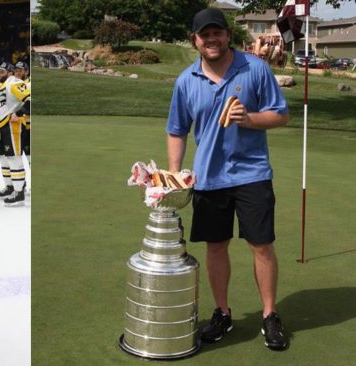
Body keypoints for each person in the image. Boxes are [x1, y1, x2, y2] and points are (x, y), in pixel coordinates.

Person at [165, 8, 289, 351]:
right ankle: (222, 312)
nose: (212, 39)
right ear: (195, 40)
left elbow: (280, 115)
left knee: (261, 245)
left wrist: (248, 118)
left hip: (253, 174)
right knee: (216, 246)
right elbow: (177, 130)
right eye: (205, 35)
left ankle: (269, 315)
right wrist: (175, 173)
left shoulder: (255, 69)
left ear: (227, 35)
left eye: (217, 32)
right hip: (208, 178)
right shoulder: (186, 80)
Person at [0, 61, 30, 206]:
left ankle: (19, 191)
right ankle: (10, 186)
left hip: (12, 125)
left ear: (10, 72)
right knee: (4, 157)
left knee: (14, 157)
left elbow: (30, 98)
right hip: (1, 124)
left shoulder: (13, 82)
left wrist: (19, 112)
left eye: (2, 71)